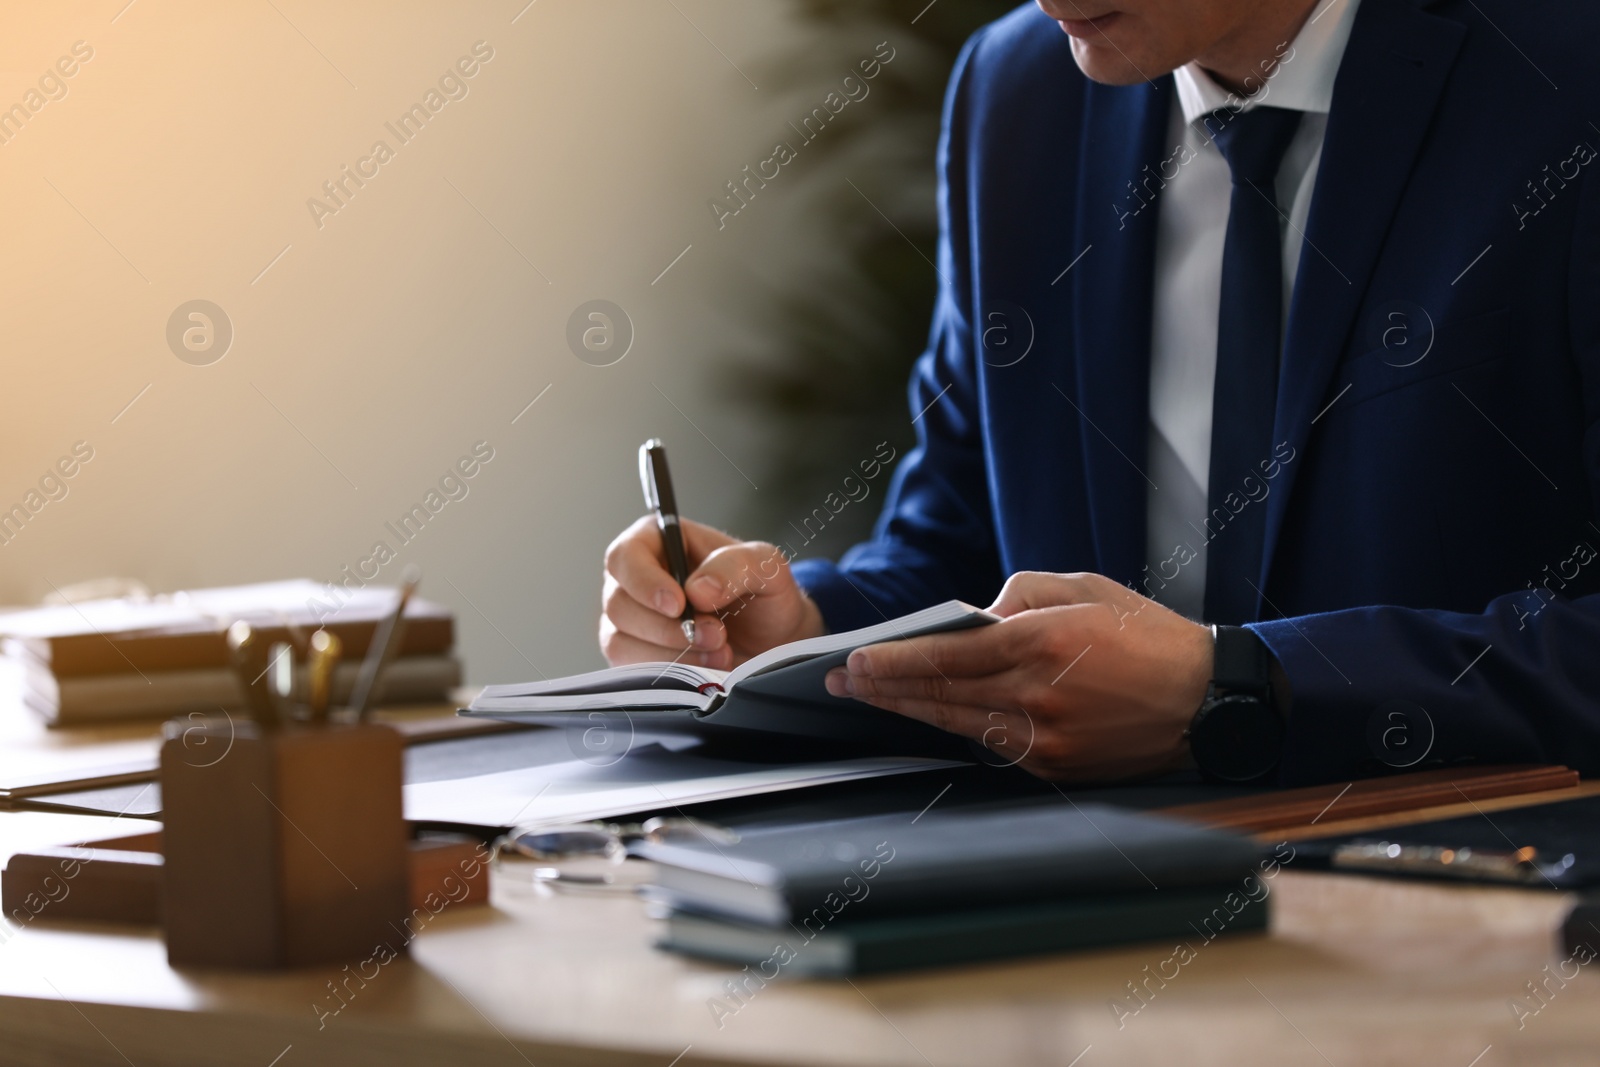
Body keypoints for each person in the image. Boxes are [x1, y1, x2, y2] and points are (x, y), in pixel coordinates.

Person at [601, 0, 1600, 785]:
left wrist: (1243, 690)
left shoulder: (1566, 71)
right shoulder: (1016, 92)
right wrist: (798, 632)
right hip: (1094, 916)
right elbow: (958, 548)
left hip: (1476, 916)